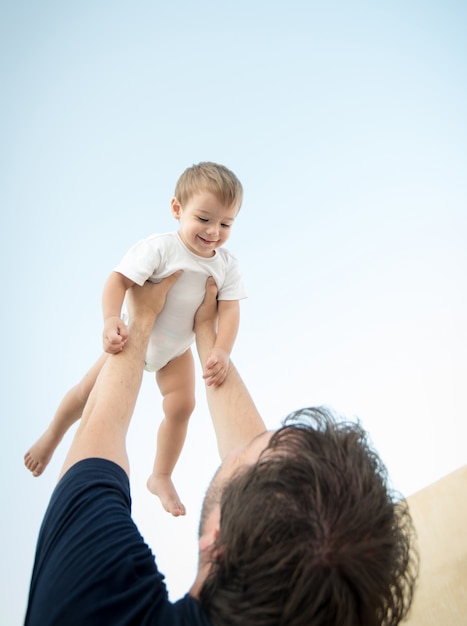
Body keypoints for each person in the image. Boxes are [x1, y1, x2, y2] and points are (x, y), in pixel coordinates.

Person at [24, 275, 418, 626]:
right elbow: (254, 464)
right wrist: (205, 330)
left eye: (249, 452)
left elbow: (96, 434)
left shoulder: (90, 608)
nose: (247, 440)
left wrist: (141, 317)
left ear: (217, 541)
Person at [24, 161, 246, 516]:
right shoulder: (160, 248)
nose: (214, 231)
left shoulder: (227, 265)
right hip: (133, 339)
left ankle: (160, 475)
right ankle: (53, 434)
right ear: (177, 209)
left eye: (226, 223)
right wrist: (111, 319)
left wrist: (221, 349)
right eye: (204, 219)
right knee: (87, 393)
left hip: (175, 354)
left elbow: (231, 311)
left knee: (183, 407)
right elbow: (117, 281)